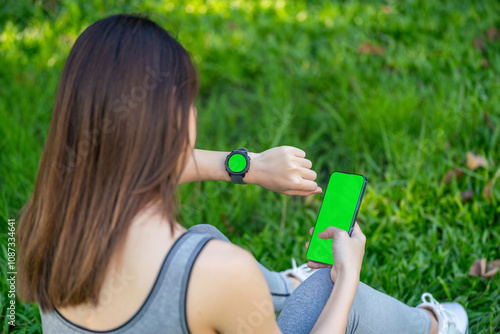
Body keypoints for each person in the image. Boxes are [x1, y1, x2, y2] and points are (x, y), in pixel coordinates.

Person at [17, 14, 469, 334]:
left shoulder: (39, 222)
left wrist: (248, 166)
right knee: (321, 292)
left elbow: (126, 165)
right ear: (175, 123)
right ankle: (431, 326)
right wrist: (348, 278)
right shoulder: (218, 273)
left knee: (206, 236)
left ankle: (283, 286)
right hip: (222, 288)